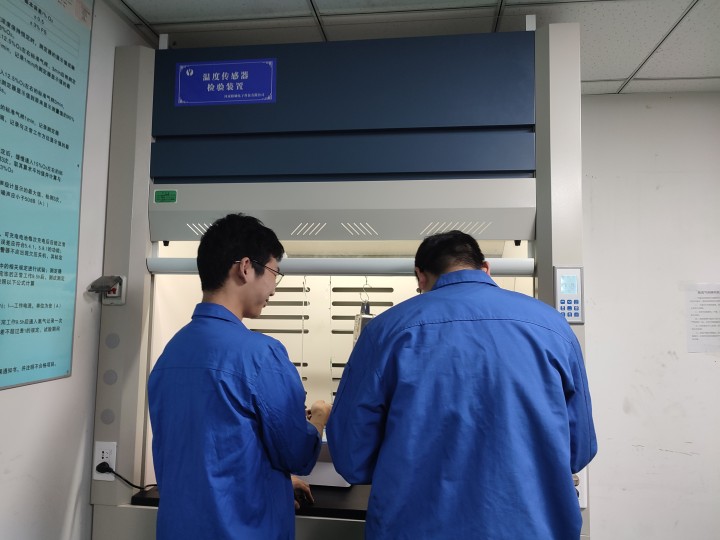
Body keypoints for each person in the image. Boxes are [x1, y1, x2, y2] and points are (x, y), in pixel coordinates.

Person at [327, 230, 597, 540]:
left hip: (416, 528)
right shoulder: (553, 327)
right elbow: (579, 450)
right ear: (486, 269)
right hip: (532, 529)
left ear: (420, 276)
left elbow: (351, 458)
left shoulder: (385, 331)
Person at [148, 213, 331, 540]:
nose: (273, 288)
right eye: (274, 273)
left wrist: (274, 481)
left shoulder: (170, 354)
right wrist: (318, 418)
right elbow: (298, 454)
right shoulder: (260, 355)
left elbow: (209, 456)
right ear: (246, 268)